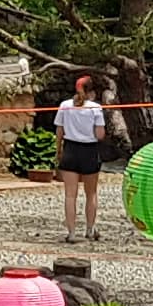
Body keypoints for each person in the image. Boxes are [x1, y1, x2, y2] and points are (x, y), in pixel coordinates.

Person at [51, 73, 118, 239]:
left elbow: (59, 130)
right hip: (89, 151)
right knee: (91, 194)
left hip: (70, 150)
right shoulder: (95, 108)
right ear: (91, 91)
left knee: (70, 195)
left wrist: (58, 150)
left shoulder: (65, 105)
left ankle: (71, 233)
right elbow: (100, 135)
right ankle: (90, 229)